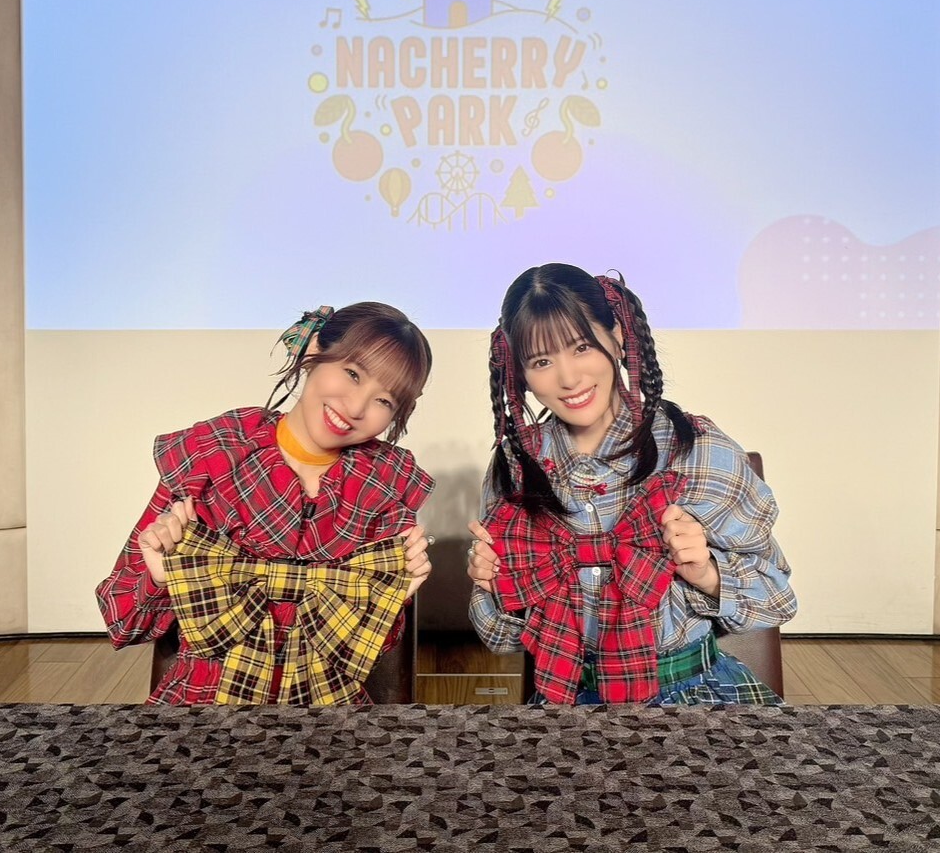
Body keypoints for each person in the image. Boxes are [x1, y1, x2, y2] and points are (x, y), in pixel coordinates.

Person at [466, 264, 796, 706]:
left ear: (618, 336)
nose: (568, 378)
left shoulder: (694, 448)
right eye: (542, 361)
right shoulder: (516, 464)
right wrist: (493, 584)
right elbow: (501, 638)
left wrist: (706, 572)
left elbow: (777, 598)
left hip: (695, 693)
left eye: (582, 347)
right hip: (568, 696)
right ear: (520, 373)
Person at [96, 301, 435, 705]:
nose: (356, 407)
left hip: (327, 707)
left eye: (384, 400)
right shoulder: (215, 456)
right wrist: (162, 578)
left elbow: (367, 653)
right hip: (203, 703)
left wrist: (393, 600)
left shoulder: (384, 485)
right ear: (313, 349)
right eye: (352, 374)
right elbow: (123, 622)